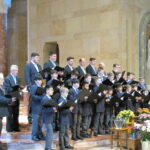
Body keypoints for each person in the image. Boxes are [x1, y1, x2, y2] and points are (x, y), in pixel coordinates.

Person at [24, 52, 42, 123]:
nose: (38, 59)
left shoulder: (39, 66)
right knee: (31, 102)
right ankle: (30, 117)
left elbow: (41, 76)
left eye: (38, 58)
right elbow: (27, 77)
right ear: (32, 58)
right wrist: (30, 86)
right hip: (32, 87)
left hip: (39, 86)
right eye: (37, 57)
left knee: (38, 101)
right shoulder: (28, 65)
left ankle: (38, 115)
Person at [4, 65, 20, 132]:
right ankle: (9, 129)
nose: (17, 71)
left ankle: (16, 128)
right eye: (16, 70)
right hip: (10, 98)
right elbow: (7, 88)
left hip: (16, 97)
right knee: (10, 115)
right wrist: (14, 88)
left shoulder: (17, 77)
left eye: (17, 70)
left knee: (16, 114)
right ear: (12, 71)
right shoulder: (7, 78)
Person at [0, 73, 16, 139]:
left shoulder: (2, 86)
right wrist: (9, 99)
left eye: (3, 79)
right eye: (1, 79)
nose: (3, 80)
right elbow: (0, 98)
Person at [41, 85, 57, 150]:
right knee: (50, 132)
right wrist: (52, 109)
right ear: (47, 90)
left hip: (50, 117)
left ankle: (48, 147)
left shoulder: (50, 98)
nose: (52, 91)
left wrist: (54, 109)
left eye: (53, 90)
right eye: (51, 90)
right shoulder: (44, 99)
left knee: (50, 133)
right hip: (47, 118)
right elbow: (44, 110)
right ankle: (47, 148)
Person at [30, 74, 44, 141]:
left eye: (41, 80)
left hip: (41, 107)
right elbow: (33, 96)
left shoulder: (42, 87)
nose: (40, 81)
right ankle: (34, 136)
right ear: (35, 80)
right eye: (39, 80)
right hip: (35, 107)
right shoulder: (33, 87)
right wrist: (41, 98)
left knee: (40, 123)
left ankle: (39, 135)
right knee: (35, 123)